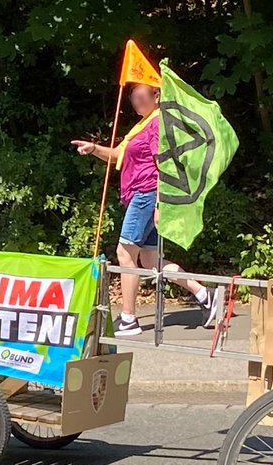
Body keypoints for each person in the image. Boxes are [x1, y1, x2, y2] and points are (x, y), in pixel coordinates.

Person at [73, 81, 226, 335]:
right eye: (133, 98)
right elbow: (116, 155)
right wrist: (93, 149)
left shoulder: (156, 123)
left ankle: (129, 319)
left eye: (141, 97)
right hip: (142, 195)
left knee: (125, 253)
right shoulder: (140, 126)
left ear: (156, 96)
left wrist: (159, 203)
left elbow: (165, 164)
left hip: (146, 194)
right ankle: (205, 294)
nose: (136, 102)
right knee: (150, 259)